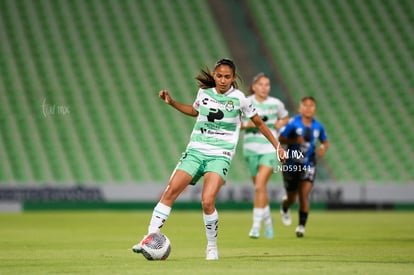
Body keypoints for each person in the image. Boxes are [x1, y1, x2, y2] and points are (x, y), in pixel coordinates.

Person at [131, 58, 285, 260]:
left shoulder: (240, 99)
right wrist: (172, 102)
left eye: (227, 77)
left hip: (220, 155)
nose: (222, 80)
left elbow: (260, 123)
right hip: (195, 151)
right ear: (214, 75)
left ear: (233, 78)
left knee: (207, 201)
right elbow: (195, 112)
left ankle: (212, 246)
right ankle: (150, 238)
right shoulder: (204, 93)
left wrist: (277, 147)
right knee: (170, 191)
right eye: (219, 76)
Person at [241, 73, 289, 239]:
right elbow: (237, 124)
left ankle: (255, 226)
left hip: (269, 149)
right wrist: (249, 125)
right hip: (250, 149)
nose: (264, 87)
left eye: (267, 84)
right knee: (259, 188)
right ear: (254, 86)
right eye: (261, 84)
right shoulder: (246, 102)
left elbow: (285, 118)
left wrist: (279, 123)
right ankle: (268, 221)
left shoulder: (276, 103)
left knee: (260, 185)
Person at [278, 96, 328, 237]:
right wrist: (294, 140)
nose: (308, 108)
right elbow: (281, 138)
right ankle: (285, 206)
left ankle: (301, 226)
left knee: (304, 194)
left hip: (309, 163)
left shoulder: (318, 126)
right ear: (300, 108)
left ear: (315, 108)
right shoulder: (293, 123)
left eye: (311, 105)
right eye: (305, 105)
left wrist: (323, 147)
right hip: (292, 163)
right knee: (292, 197)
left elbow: (325, 141)